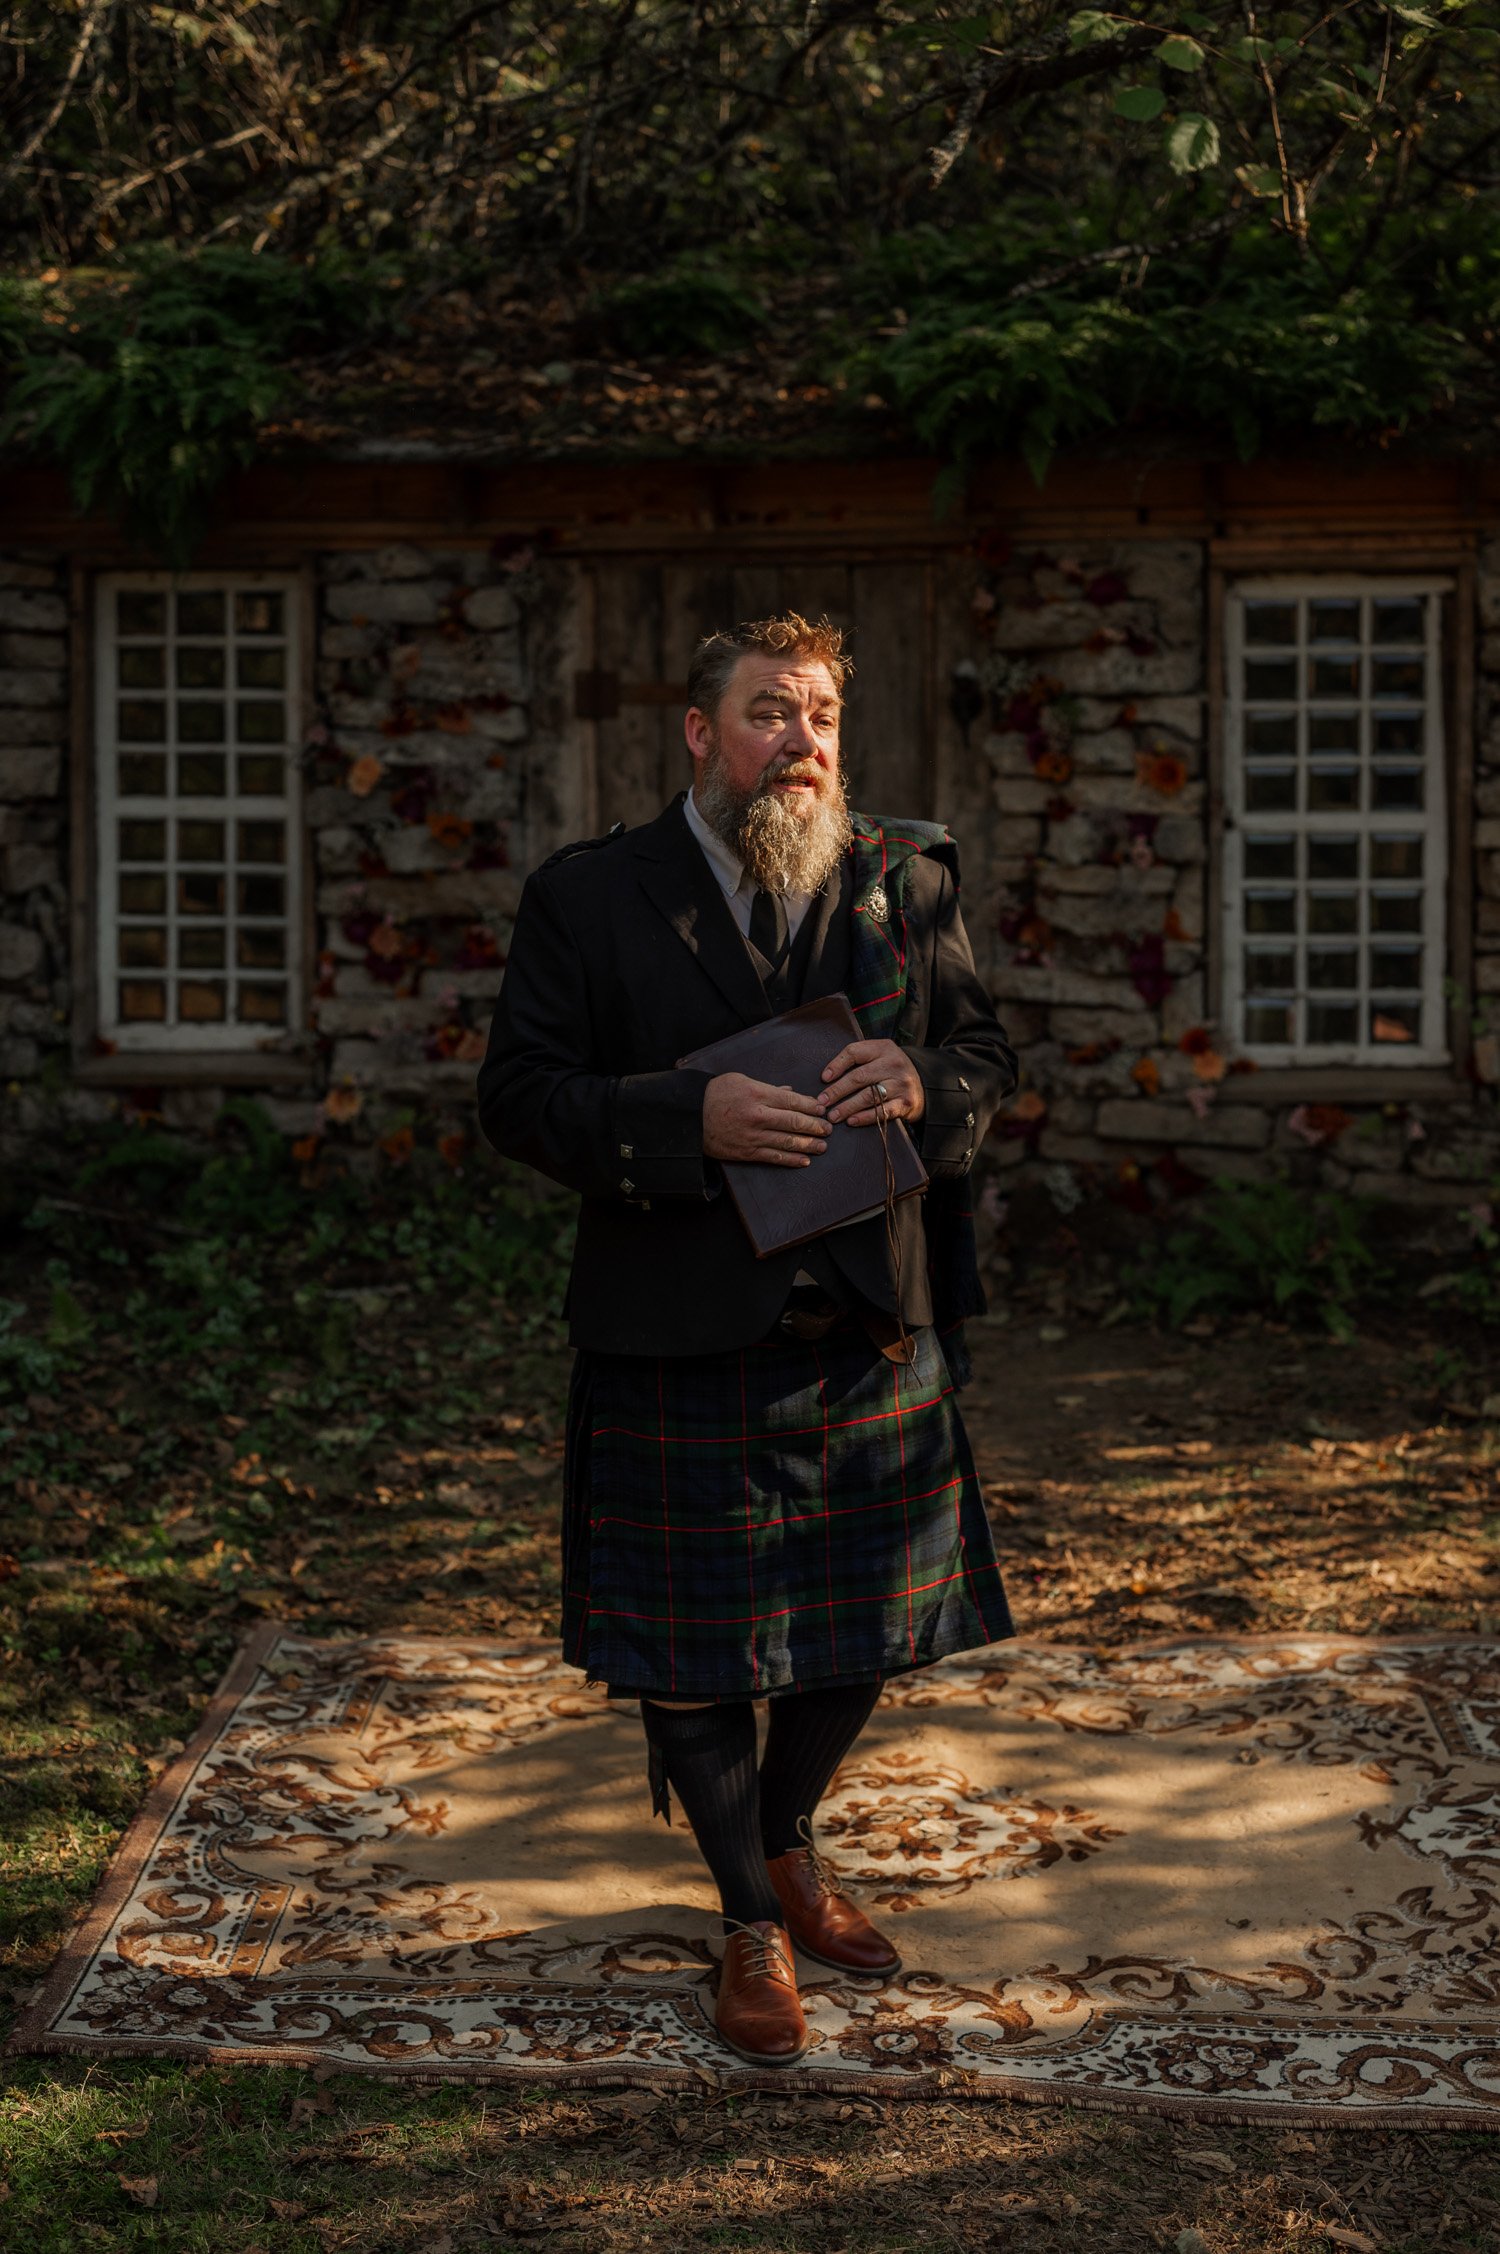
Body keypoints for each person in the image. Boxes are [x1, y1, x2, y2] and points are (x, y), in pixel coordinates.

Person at [476, 611, 1017, 2066]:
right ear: (702, 735)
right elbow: (519, 1098)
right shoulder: (593, 897)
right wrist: (682, 1120)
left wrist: (923, 1079)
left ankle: (786, 1836)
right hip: (678, 1330)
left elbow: (986, 1057)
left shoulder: (904, 881)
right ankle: (746, 1919)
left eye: (823, 715)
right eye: (771, 712)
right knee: (698, 1651)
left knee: (870, 1630)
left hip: (865, 1317)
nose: (804, 741)